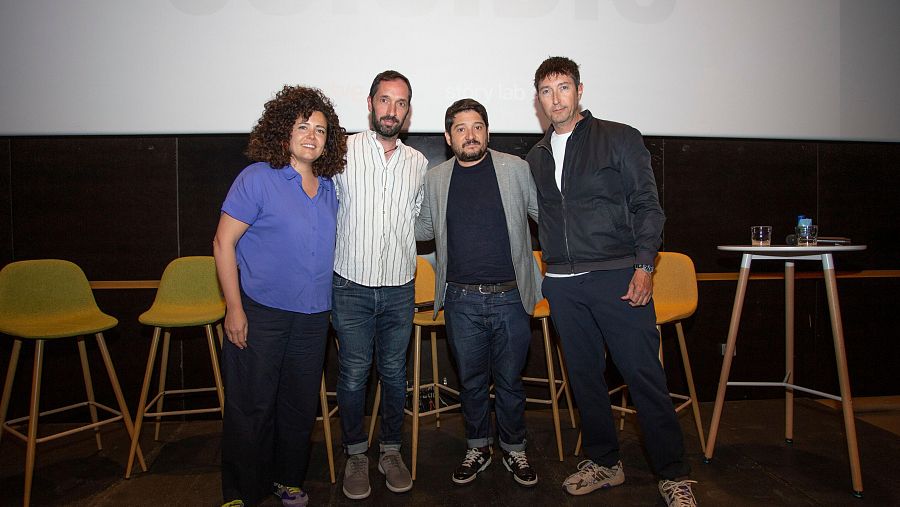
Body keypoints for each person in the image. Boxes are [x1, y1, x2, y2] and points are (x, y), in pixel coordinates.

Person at [525, 56, 698, 506]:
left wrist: (645, 266)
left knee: (643, 376)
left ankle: (673, 474)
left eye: (563, 87)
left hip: (619, 276)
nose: (555, 98)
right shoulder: (537, 157)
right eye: (546, 91)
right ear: (538, 99)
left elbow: (648, 205)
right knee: (584, 378)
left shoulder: (619, 137)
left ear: (579, 91)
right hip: (563, 282)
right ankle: (605, 463)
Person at [213, 85, 347, 507]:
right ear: (282, 130)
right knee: (251, 406)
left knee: (297, 407)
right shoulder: (257, 179)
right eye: (303, 126)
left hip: (312, 318)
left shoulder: (329, 188)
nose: (312, 135)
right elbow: (222, 244)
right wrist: (234, 309)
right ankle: (241, 491)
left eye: (321, 130)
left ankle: (288, 480)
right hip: (260, 314)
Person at [415, 98, 541, 487]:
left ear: (487, 131)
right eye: (461, 128)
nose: (470, 135)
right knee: (469, 381)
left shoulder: (516, 169)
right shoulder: (435, 179)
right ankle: (478, 447)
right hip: (461, 299)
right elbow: (421, 232)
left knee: (509, 381)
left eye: (477, 127)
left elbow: (544, 215)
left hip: (510, 296)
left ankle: (515, 449)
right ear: (448, 137)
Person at [331, 70, 428, 500]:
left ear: (407, 111)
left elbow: (419, 222)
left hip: (398, 289)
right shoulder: (342, 151)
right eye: (385, 100)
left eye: (401, 103)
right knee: (352, 377)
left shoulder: (419, 164)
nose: (392, 110)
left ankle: (391, 451)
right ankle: (355, 455)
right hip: (349, 286)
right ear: (370, 103)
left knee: (393, 375)